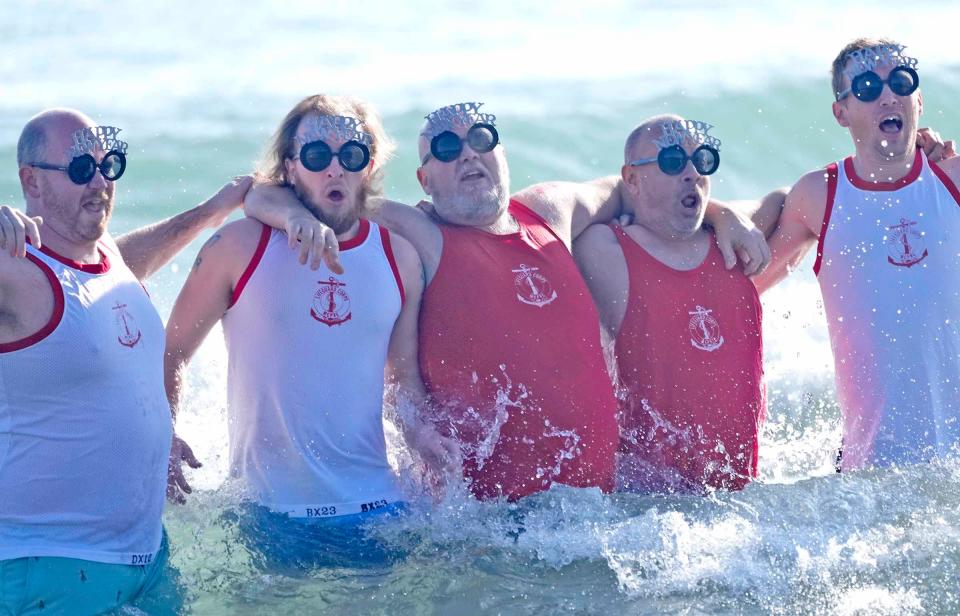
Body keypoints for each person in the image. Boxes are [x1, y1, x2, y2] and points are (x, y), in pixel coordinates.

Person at [244, 102, 771, 501]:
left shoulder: (551, 212)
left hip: (596, 506)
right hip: (493, 516)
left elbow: (632, 184)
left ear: (501, 153)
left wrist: (725, 215)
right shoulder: (422, 232)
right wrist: (296, 220)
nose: (468, 152)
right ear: (425, 180)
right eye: (447, 150)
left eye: (480, 138)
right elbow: (270, 192)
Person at [163, 95, 448, 569]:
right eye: (317, 156)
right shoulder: (238, 247)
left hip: (377, 506)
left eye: (350, 155)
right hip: (272, 510)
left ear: (368, 165)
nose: (334, 169)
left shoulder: (401, 258)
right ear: (291, 168)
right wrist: (165, 435)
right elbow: (171, 351)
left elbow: (402, 382)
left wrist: (423, 437)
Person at [0, 108, 249, 614]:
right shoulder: (15, 269)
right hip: (47, 565)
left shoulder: (102, 257)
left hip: (145, 558)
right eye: (78, 169)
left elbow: (117, 271)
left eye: (107, 165)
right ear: (31, 181)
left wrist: (213, 211)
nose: (99, 181)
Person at [754, 39, 960, 470]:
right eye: (867, 86)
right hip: (871, 466)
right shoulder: (819, 195)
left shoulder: (954, 178)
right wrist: (731, 215)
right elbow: (746, 286)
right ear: (841, 112)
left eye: (902, 82)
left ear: (918, 99)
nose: (888, 95)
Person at [575, 116, 768, 493]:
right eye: (672, 162)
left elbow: (801, 201)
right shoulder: (606, 249)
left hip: (742, 499)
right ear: (631, 178)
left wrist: (723, 213)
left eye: (703, 162)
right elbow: (558, 218)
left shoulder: (737, 245)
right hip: (649, 506)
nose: (692, 174)